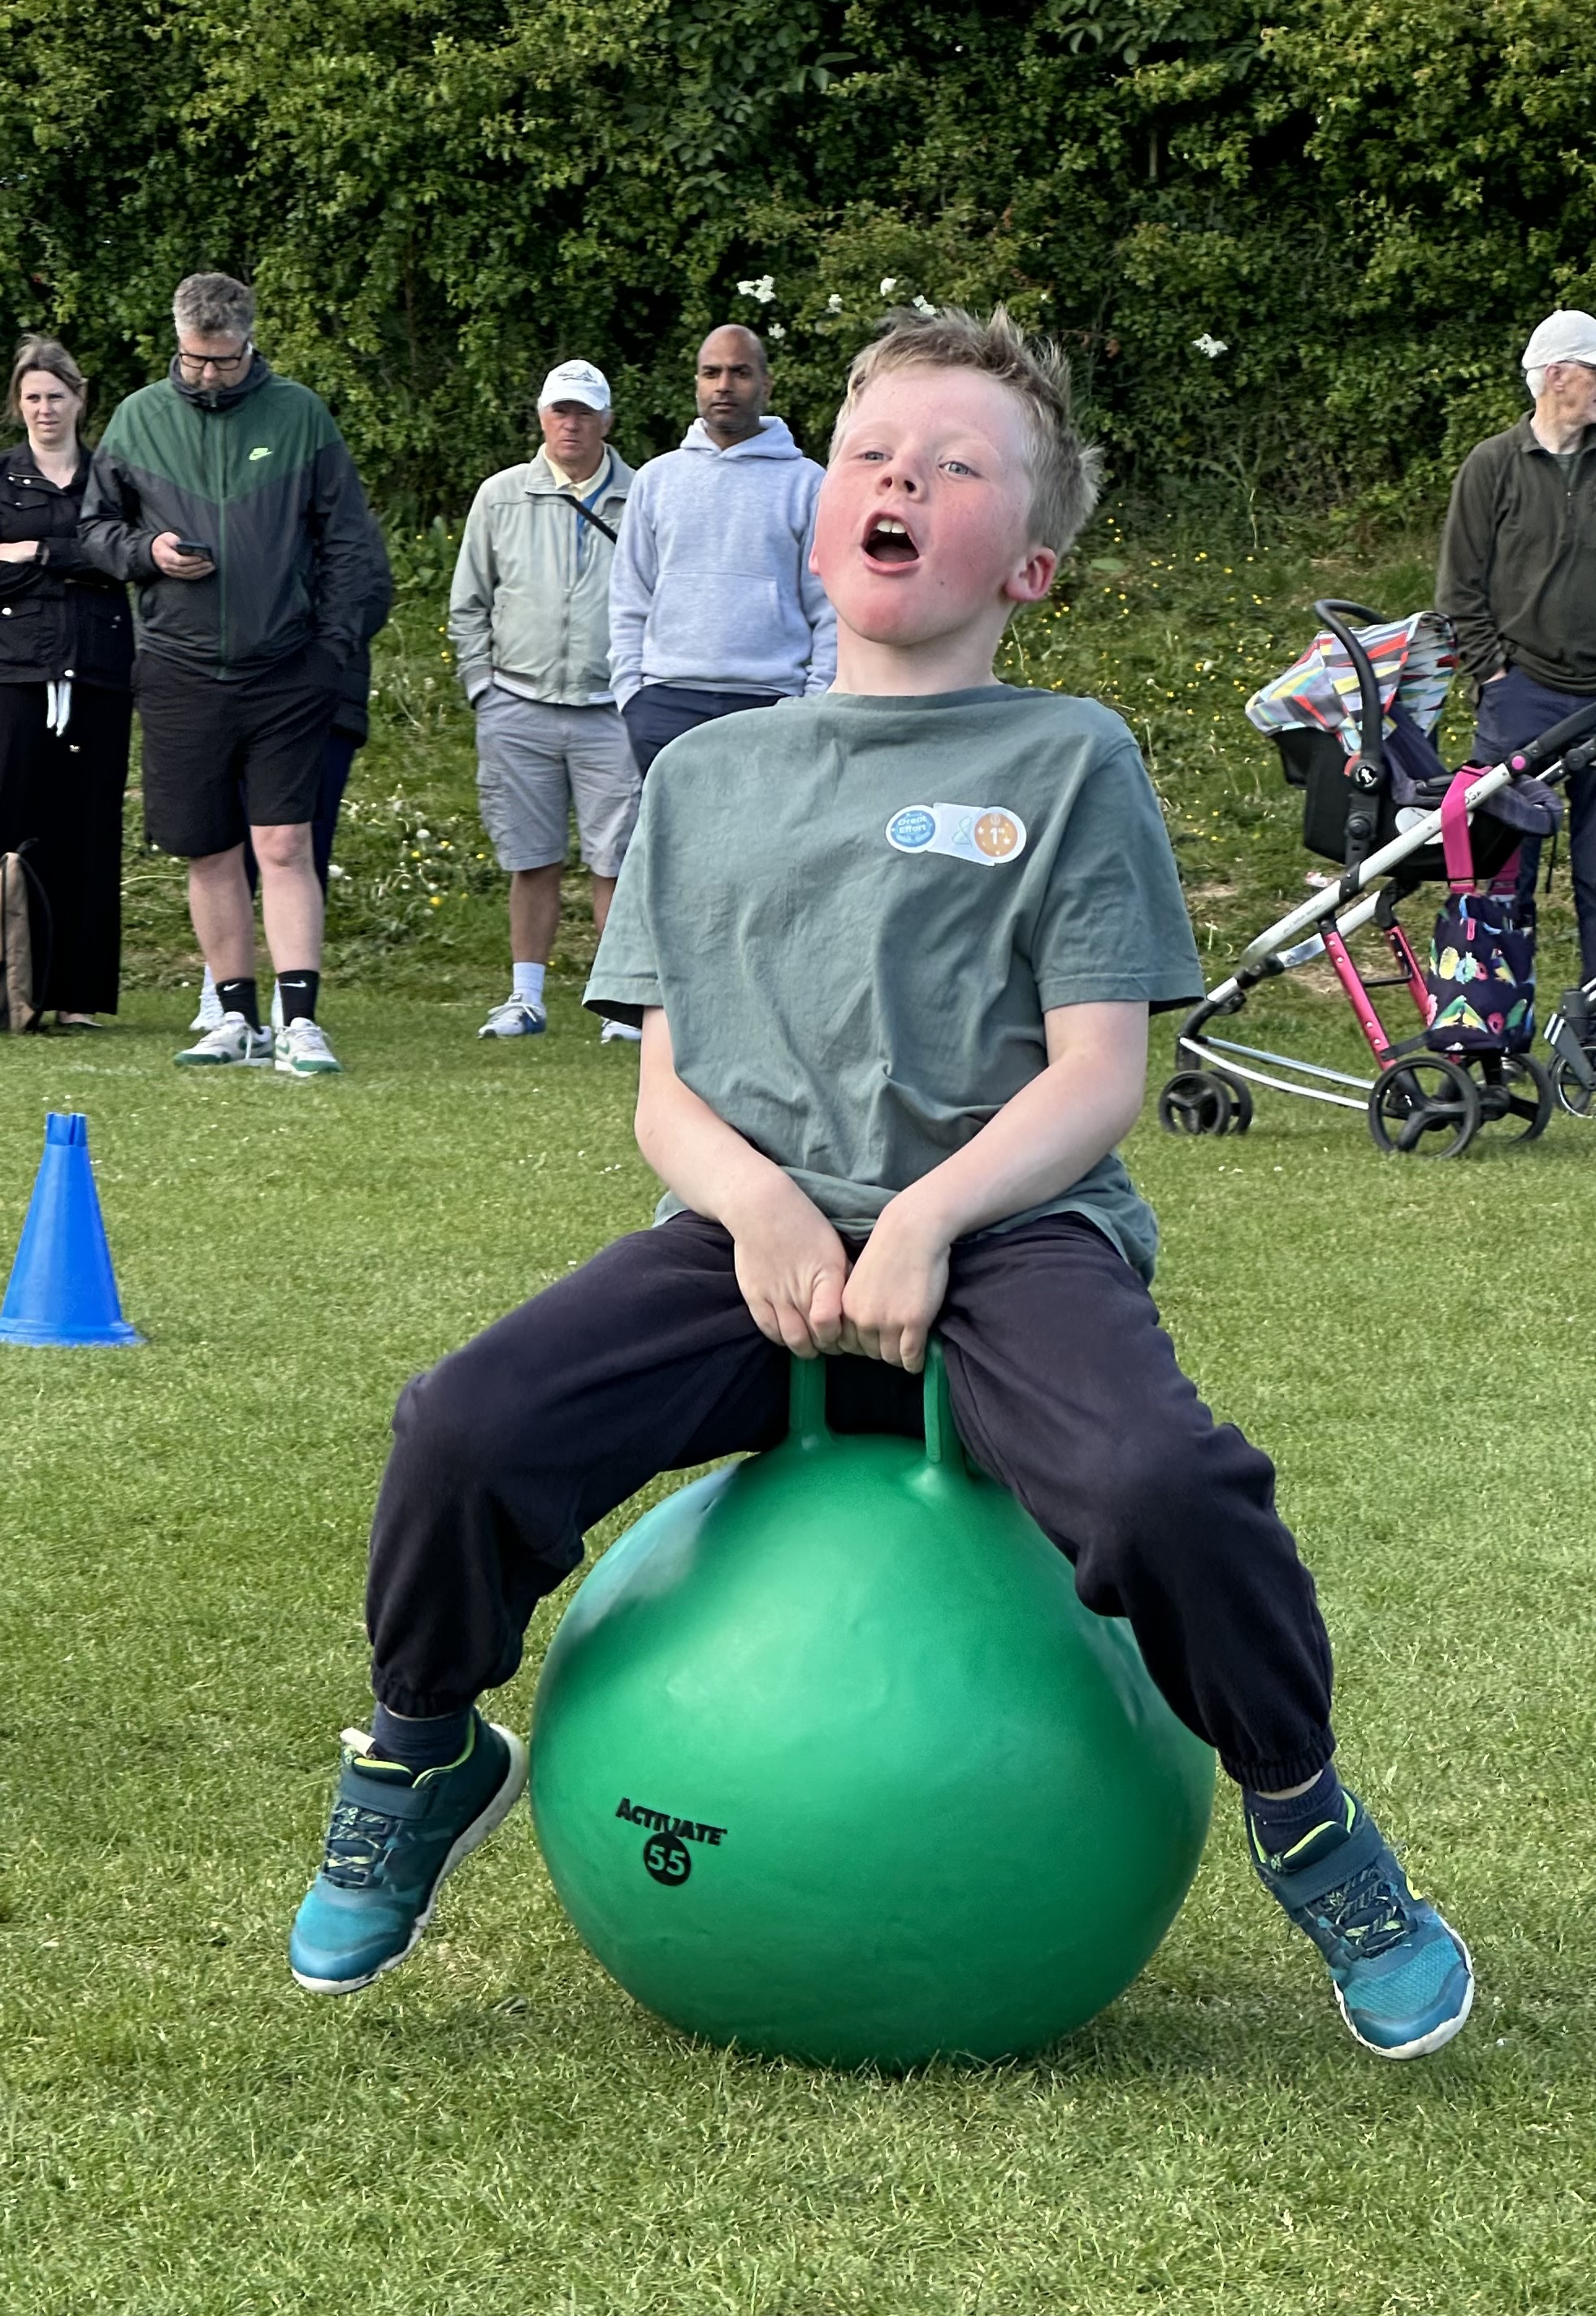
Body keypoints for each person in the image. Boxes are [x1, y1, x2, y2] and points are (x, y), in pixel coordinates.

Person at [287, 306, 1473, 2065]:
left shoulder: (1069, 758)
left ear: (1032, 565)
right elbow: (667, 1091)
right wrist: (764, 1208)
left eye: (956, 463)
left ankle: (1305, 1815)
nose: (901, 476)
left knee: (1164, 1487)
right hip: (743, 1241)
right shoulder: (705, 775)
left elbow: (1098, 1073)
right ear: (817, 518)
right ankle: (422, 1748)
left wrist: (925, 1217)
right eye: (871, 454)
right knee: (462, 1427)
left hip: (1005, 1243)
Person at [79, 270, 380, 1078]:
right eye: (194, 360)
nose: (208, 374)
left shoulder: (300, 415)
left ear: (249, 344)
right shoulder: (138, 418)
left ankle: (301, 1020)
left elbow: (350, 542)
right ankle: (236, 1018)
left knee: (283, 842)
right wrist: (147, 552)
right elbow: (95, 531)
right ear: (177, 343)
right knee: (208, 849)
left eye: (223, 360)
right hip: (178, 668)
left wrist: (332, 650)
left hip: (287, 670)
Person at [1437, 309, 1596, 978]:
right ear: (1557, 375)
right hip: (1522, 696)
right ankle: (1496, 1015)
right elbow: (1459, 588)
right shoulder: (1491, 465)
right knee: (1505, 874)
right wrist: (1495, 676)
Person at [447, 358, 643, 1043]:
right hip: (518, 704)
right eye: (561, 411)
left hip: (611, 710)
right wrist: (483, 689)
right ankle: (525, 998)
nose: (572, 425)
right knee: (531, 859)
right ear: (541, 417)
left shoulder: (645, 497)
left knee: (615, 861)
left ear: (607, 421)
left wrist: (640, 692)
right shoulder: (500, 495)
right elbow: (469, 603)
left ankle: (620, 1004)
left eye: (585, 412)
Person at [192, 510, 394, 1033]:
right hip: (233, 698)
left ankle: (294, 999)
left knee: (300, 846)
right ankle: (223, 991)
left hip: (324, 703)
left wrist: (305, 648)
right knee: (227, 843)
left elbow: (370, 598)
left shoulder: (346, 517)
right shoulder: (233, 506)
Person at [607, 324, 836, 778]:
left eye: (740, 373)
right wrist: (632, 696)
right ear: (697, 382)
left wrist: (815, 702)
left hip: (770, 702)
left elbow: (832, 607)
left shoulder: (809, 484)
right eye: (711, 373)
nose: (724, 385)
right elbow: (629, 597)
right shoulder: (656, 480)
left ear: (766, 385)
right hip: (665, 702)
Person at [0, 338, 132, 1025]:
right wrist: (76, 561)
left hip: (101, 669)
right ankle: (13, 989)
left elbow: (125, 557)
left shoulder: (113, 476)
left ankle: (77, 996)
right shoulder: (2, 476)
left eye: (56, 395)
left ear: (80, 399)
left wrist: (37, 551)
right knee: (12, 820)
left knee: (89, 827)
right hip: (16, 670)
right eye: (32, 397)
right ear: (17, 404)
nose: (44, 408)